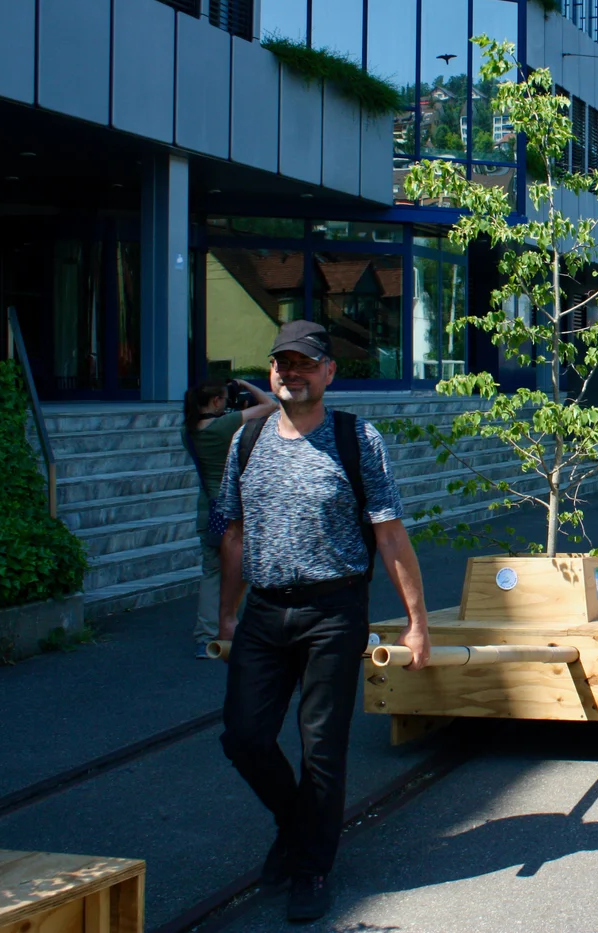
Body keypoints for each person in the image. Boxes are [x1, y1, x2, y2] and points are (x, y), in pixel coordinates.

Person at [215, 321, 431, 923]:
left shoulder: (357, 438)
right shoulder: (248, 439)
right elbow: (232, 534)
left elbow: (389, 534)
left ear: (329, 372)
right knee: (244, 737)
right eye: (283, 363)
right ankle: (297, 824)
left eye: (306, 363)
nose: (293, 372)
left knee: (322, 747)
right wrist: (227, 615)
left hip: (334, 610)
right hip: (263, 609)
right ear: (271, 372)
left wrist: (417, 622)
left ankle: (312, 866)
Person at [182, 379, 279, 658]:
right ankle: (240, 629)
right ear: (215, 402)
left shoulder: (186, 432)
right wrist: (245, 383)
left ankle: (206, 637)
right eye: (224, 399)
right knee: (241, 572)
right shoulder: (224, 426)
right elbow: (270, 406)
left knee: (211, 573)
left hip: (207, 510)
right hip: (234, 511)